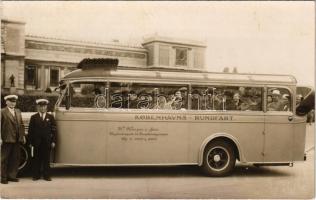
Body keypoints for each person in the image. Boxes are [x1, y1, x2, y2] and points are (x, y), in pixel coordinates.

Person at [28, 99, 57, 181]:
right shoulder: (33, 117)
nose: (43, 108)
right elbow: (31, 130)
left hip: (47, 142)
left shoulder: (50, 117)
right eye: (41, 106)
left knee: (46, 160)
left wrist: (53, 141)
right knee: (36, 159)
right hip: (37, 142)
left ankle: (46, 176)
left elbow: (54, 130)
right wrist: (30, 142)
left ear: (46, 107)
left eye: (44, 106)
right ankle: (36, 175)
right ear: (38, 107)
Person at [1, 94, 26, 184]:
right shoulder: (2, 112)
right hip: (6, 138)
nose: (13, 103)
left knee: (15, 158)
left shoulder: (18, 111)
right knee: (4, 159)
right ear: (6, 102)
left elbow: (22, 124)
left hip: (17, 139)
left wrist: (22, 136)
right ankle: (3, 177)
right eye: (11, 101)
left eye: (14, 102)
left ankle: (12, 176)